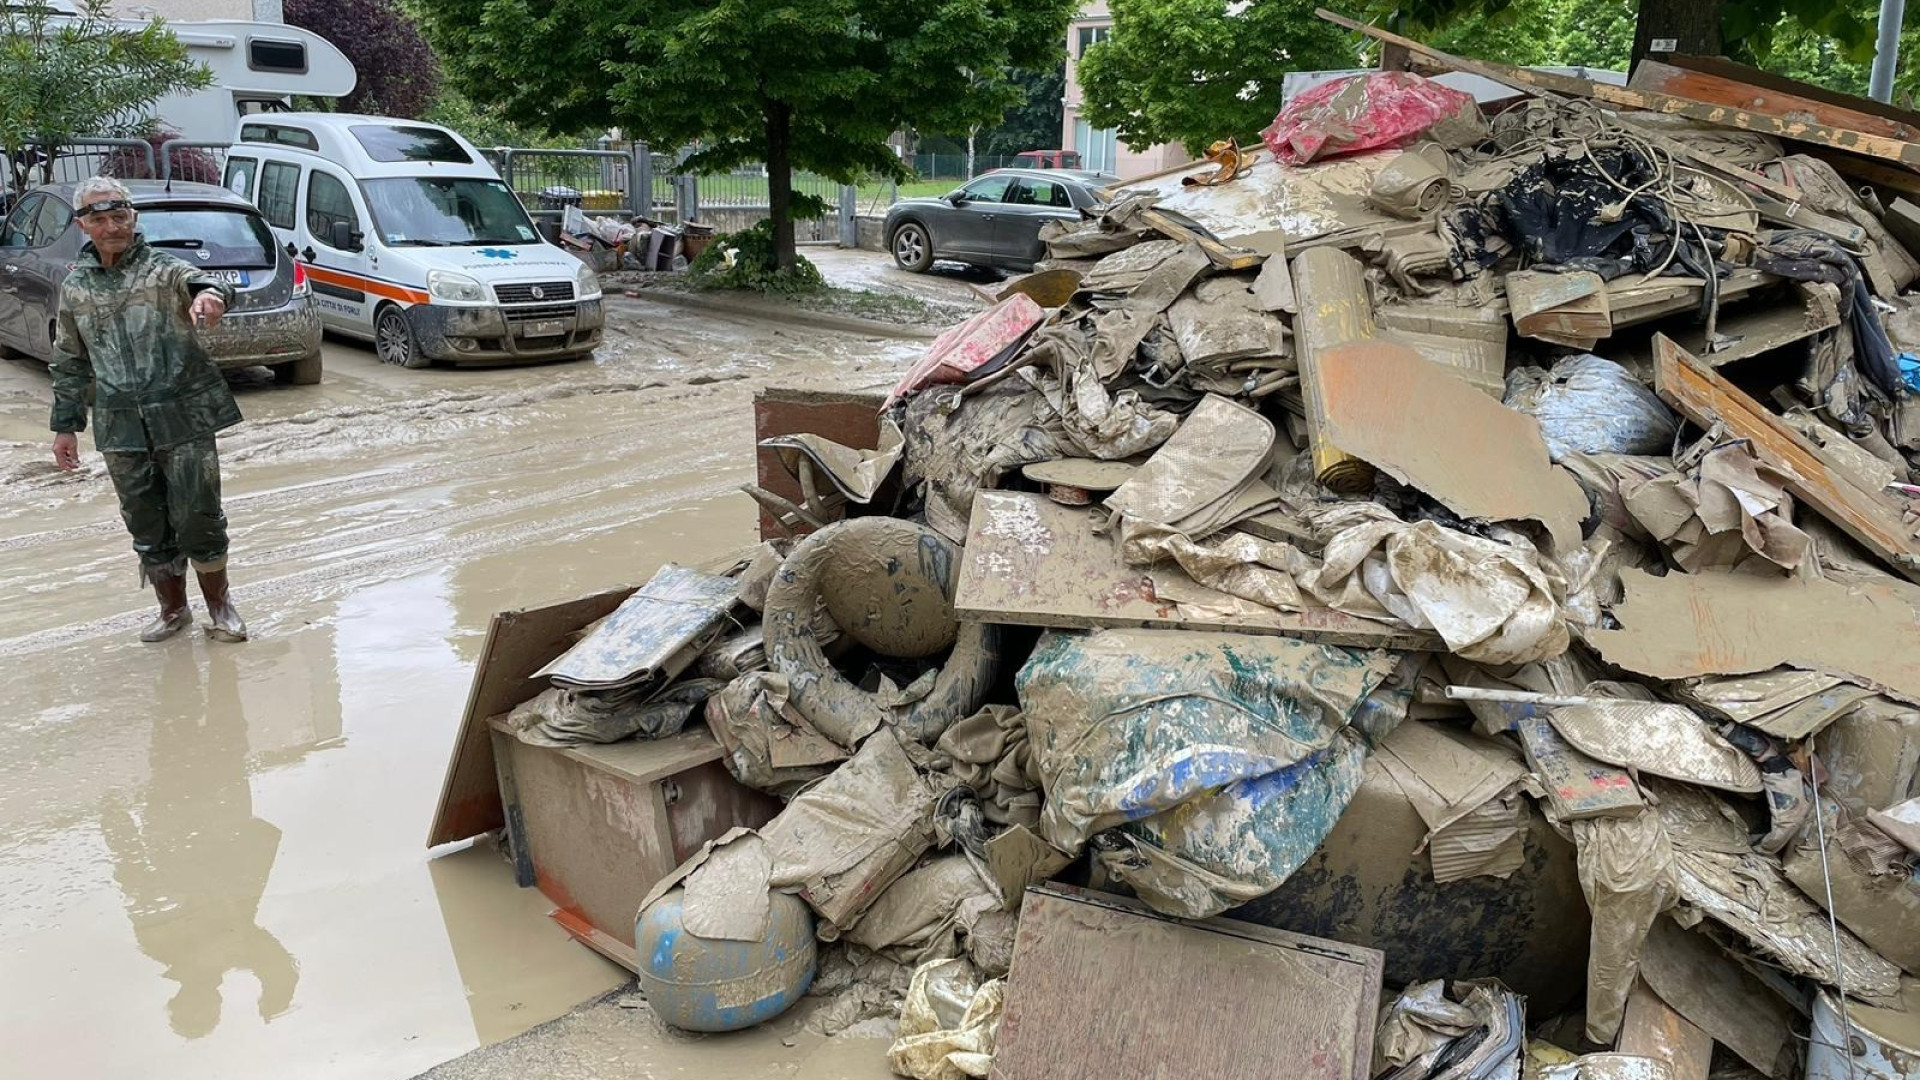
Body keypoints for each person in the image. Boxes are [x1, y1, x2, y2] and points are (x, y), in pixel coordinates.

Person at [49, 176, 247, 643]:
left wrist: (211, 298)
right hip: (120, 425)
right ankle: (172, 610)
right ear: (84, 225)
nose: (113, 226)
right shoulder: (76, 287)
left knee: (199, 514)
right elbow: (69, 360)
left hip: (182, 416)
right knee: (144, 520)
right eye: (100, 219)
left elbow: (202, 282)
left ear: (134, 218)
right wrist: (65, 427)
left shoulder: (163, 270)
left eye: (120, 216)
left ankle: (220, 608)